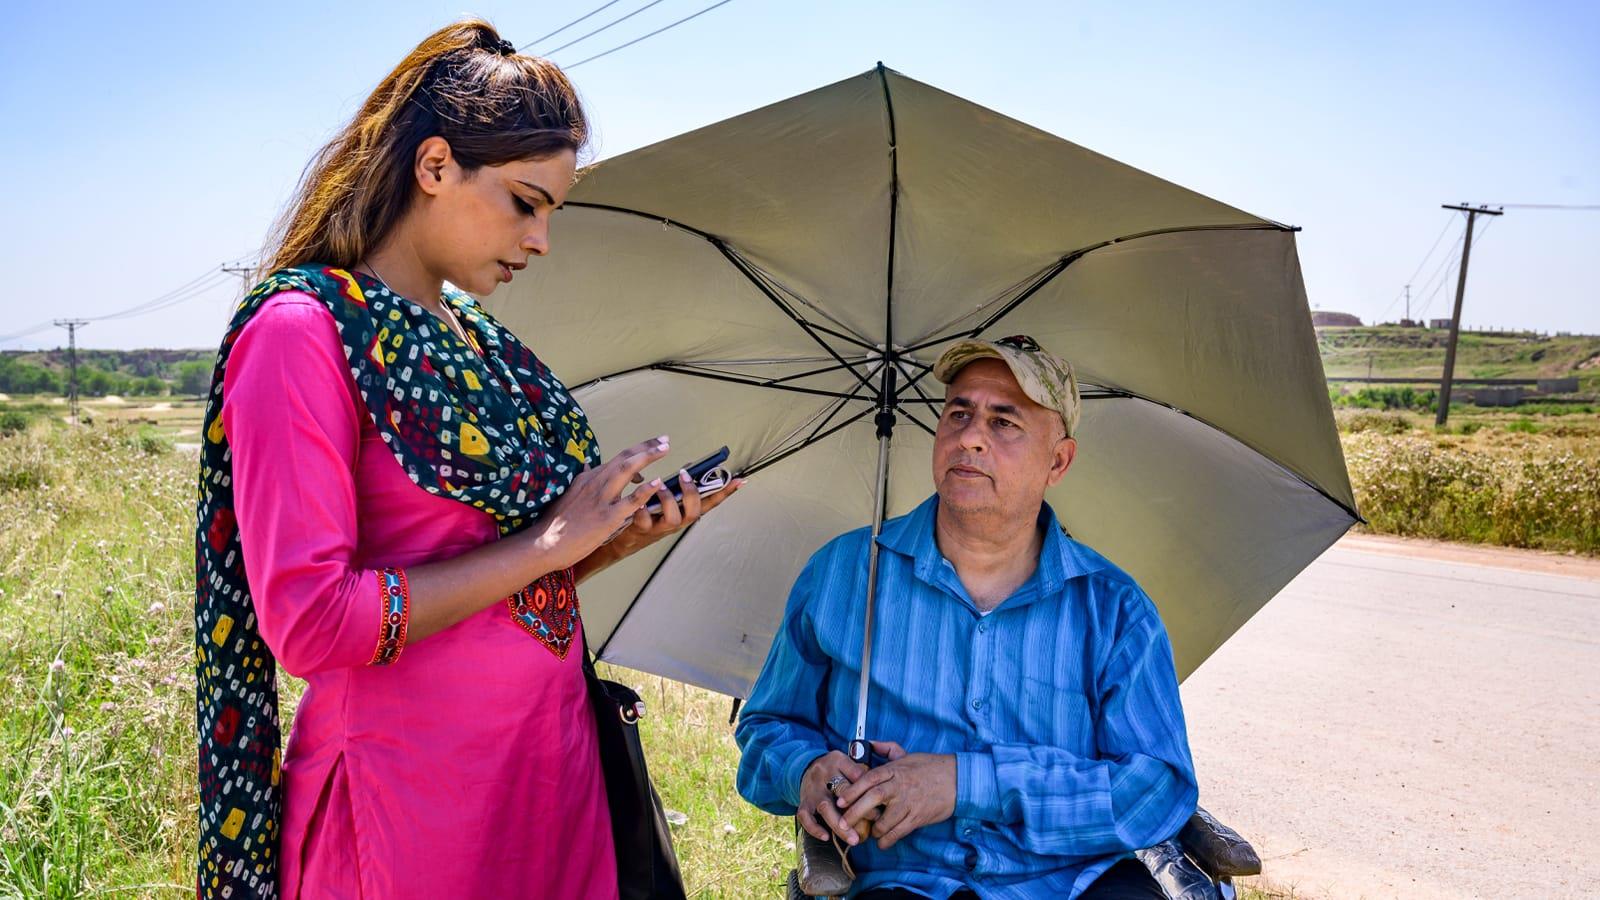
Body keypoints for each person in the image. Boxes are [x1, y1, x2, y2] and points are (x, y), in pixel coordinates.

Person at [192, 20, 741, 899]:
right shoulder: (305, 331)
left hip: (548, 765)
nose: (540, 240)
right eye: (526, 202)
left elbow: (505, 581)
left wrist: (606, 542)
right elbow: (309, 623)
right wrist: (548, 545)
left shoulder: (480, 341)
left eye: (552, 213)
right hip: (411, 792)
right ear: (436, 166)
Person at [735, 335, 1195, 899]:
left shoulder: (1113, 608)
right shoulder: (846, 574)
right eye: (958, 413)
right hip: (903, 882)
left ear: (1058, 460)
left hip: (1073, 883)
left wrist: (965, 783)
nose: (970, 437)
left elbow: (1157, 790)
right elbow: (764, 731)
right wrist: (804, 771)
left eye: (1004, 422)